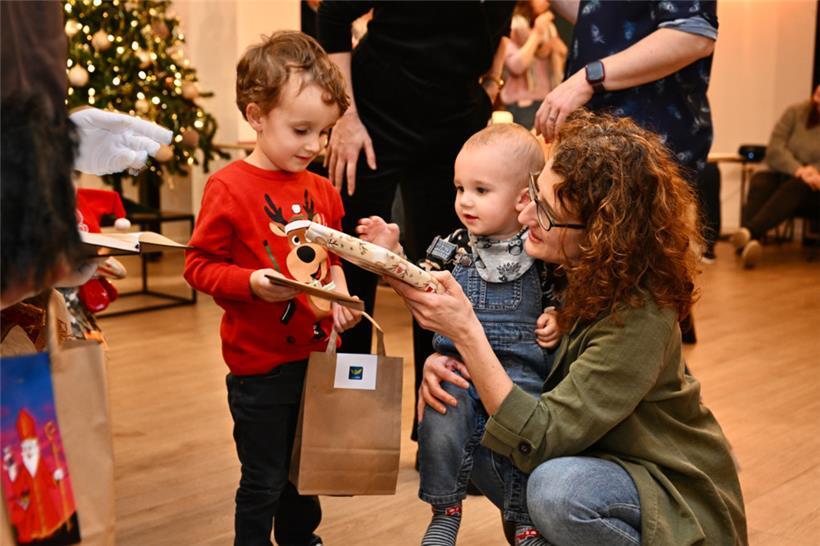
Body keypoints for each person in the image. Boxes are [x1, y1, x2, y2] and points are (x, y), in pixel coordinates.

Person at [389, 111, 747, 545]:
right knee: (474, 426)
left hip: (663, 485)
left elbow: (540, 437)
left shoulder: (639, 313)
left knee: (558, 491)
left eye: (544, 212)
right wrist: (449, 366)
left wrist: (467, 334)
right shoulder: (560, 268)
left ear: (600, 233)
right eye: (532, 199)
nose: (524, 220)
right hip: (592, 455)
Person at [183, 31, 359, 546]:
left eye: (323, 133)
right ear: (256, 115)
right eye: (301, 130)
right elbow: (198, 266)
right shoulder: (228, 188)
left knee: (306, 475)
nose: (314, 146)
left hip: (317, 362)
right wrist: (251, 284)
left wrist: (342, 295)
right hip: (257, 370)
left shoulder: (321, 188)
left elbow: (333, 257)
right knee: (263, 480)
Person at [317, 1, 516, 442]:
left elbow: (498, 25)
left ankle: (437, 436)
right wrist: (345, 118)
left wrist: (490, 81)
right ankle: (346, 439)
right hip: (373, 121)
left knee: (440, 278)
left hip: (453, 124)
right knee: (357, 270)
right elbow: (331, 15)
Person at [358, 124, 560, 546]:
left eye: (481, 190)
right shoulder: (452, 246)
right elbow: (419, 282)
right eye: (459, 188)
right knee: (440, 419)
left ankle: (524, 520)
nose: (465, 201)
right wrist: (390, 255)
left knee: (528, 432)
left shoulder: (540, 252)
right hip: (459, 368)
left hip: (521, 371)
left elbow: (567, 296)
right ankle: (445, 510)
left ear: (524, 198)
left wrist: (560, 315)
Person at [730, 84, 820, 268]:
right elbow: (775, 149)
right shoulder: (795, 113)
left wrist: (812, 172)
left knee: (795, 187)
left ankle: (748, 233)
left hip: (812, 188)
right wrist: (799, 170)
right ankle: (748, 245)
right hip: (787, 173)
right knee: (760, 181)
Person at [501, 0, 567, 130]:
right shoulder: (514, 27)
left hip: (547, 100)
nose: (548, 2)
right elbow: (516, 66)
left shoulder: (549, 29)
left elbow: (560, 53)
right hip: (522, 104)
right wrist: (537, 33)